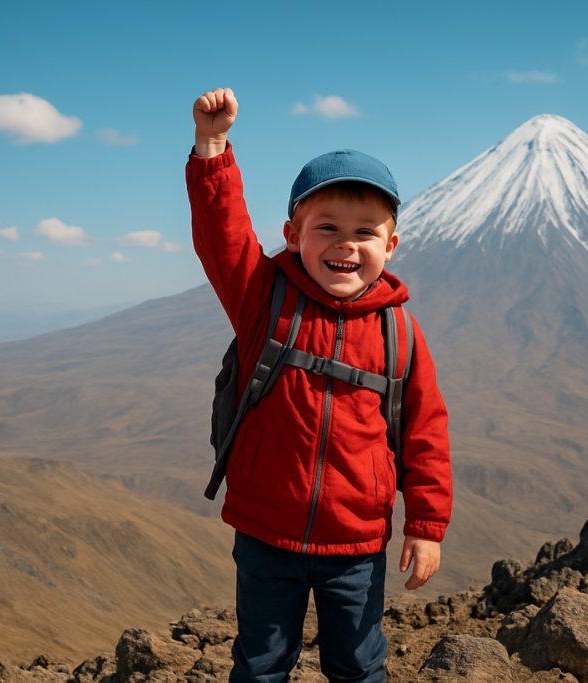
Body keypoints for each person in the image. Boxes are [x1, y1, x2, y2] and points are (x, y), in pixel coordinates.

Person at [186, 87, 453, 682]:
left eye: (364, 232)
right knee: (259, 666)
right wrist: (212, 147)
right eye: (326, 227)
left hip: (355, 546)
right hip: (266, 534)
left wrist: (427, 527)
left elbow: (426, 435)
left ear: (391, 245)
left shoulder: (400, 334)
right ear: (293, 234)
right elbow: (221, 237)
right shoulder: (264, 300)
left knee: (358, 667)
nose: (345, 244)